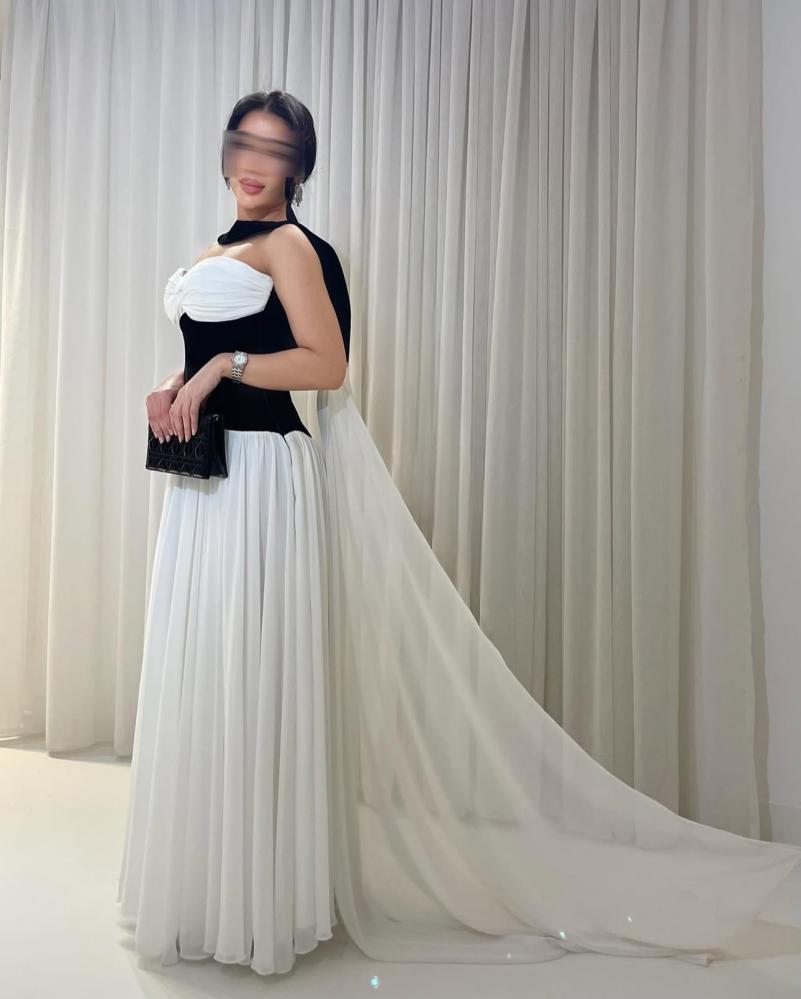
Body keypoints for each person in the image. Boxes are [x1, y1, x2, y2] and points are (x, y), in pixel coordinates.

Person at [116, 90, 801, 977]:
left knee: (252, 669)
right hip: (202, 486)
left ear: (299, 166)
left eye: (276, 149)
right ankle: (208, 888)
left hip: (261, 481)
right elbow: (221, 344)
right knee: (208, 668)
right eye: (244, 142)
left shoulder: (295, 247)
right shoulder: (218, 249)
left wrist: (222, 365)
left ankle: (258, 902)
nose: (255, 162)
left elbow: (327, 365)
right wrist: (174, 380)